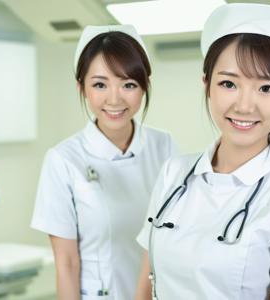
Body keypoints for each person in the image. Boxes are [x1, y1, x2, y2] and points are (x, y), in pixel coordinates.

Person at [135, 3, 270, 300]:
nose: (244, 105)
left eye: (265, 88)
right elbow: (146, 282)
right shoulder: (172, 173)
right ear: (207, 84)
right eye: (229, 83)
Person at [31, 25, 177, 300]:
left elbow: (173, 239)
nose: (114, 99)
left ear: (144, 85)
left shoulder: (164, 146)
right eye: (100, 84)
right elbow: (66, 263)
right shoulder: (63, 160)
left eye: (128, 84)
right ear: (82, 87)